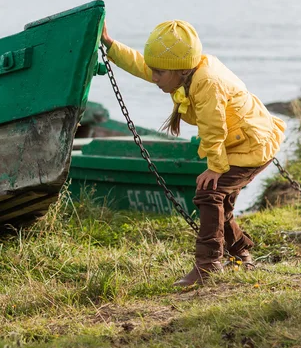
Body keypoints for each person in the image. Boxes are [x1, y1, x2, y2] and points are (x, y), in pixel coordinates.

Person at [101, 20, 286, 286]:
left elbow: (214, 127)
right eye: (154, 71)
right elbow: (142, 65)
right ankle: (241, 255)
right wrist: (111, 46)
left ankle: (208, 265)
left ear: (179, 70)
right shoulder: (183, 71)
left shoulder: (207, 83)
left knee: (209, 192)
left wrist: (215, 167)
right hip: (238, 143)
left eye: (159, 73)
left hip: (253, 144)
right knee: (221, 202)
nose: (153, 78)